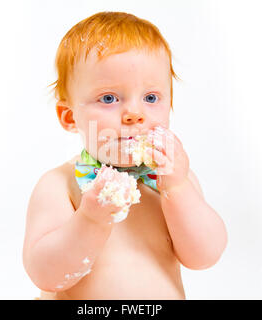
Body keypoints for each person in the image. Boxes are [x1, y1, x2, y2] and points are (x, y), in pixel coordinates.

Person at [22, 11, 228, 300]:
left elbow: (205, 256)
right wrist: (91, 219)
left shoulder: (174, 179)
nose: (135, 114)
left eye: (151, 98)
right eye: (109, 98)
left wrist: (178, 189)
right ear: (69, 117)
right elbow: (46, 274)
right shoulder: (60, 184)